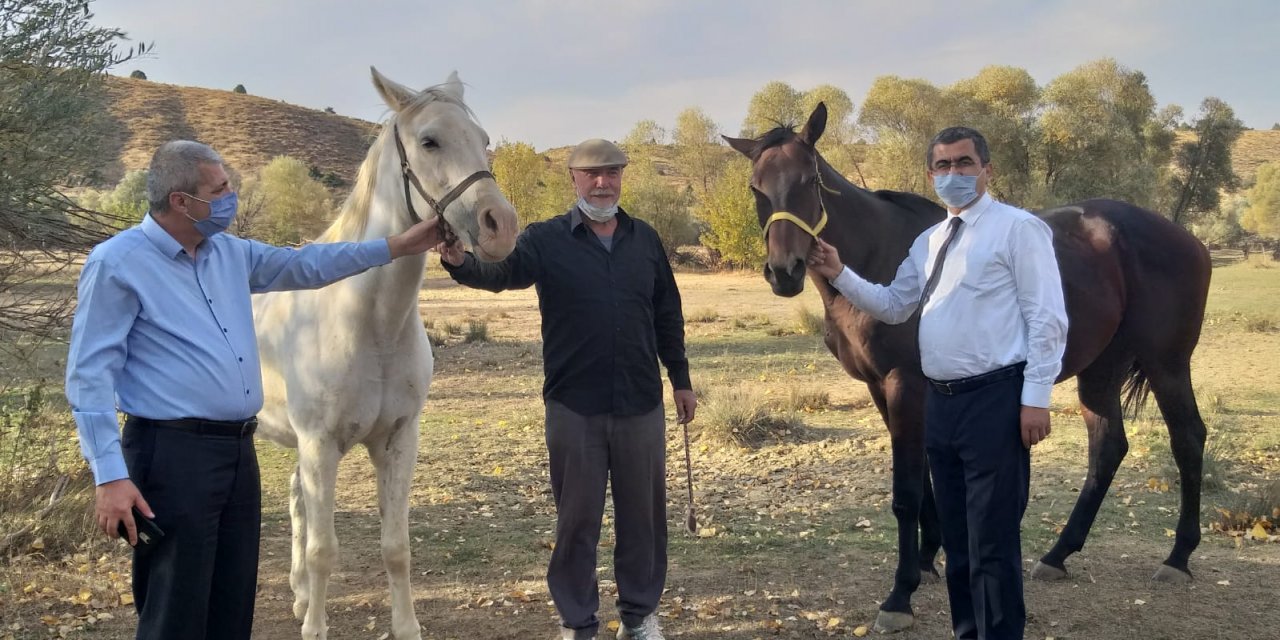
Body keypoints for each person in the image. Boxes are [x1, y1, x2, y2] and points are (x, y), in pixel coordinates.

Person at [65, 140, 444, 640]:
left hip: (238, 453)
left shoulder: (229, 253)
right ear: (182, 202)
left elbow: (310, 267)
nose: (230, 197)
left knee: (231, 600)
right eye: (219, 189)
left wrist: (397, 246)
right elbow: (89, 377)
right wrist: (110, 476)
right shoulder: (117, 263)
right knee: (176, 606)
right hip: (172, 454)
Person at [806, 127, 1067, 640]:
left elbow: (1048, 319)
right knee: (959, 545)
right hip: (941, 405)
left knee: (992, 543)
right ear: (930, 176)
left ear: (987, 170)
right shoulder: (929, 241)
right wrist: (839, 273)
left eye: (964, 163)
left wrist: (1036, 398)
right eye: (943, 166)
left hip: (995, 398)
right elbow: (893, 304)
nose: (954, 175)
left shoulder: (1019, 230)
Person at [438, 138, 695, 640]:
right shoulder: (546, 239)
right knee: (577, 520)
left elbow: (668, 314)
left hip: (641, 403)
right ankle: (578, 621)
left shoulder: (645, 240)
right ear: (573, 178)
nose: (603, 183)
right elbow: (503, 272)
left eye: (612, 173)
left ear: (622, 176)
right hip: (574, 406)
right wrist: (460, 262)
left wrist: (680, 380)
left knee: (643, 519)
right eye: (592, 174)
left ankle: (640, 616)